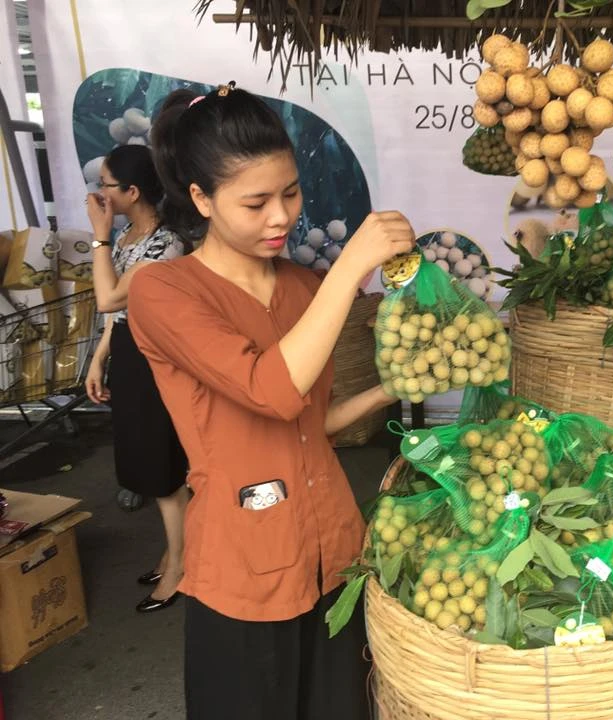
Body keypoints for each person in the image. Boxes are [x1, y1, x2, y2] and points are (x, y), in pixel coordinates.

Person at [127, 83, 414, 719]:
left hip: (334, 551)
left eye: (290, 193)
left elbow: (314, 424)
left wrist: (393, 387)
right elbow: (273, 393)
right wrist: (352, 268)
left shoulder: (304, 287)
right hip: (243, 566)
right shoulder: (165, 292)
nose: (281, 217)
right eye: (256, 202)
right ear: (200, 198)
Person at [84, 144, 190, 614]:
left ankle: (181, 566)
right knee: (149, 465)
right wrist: (99, 357)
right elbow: (115, 317)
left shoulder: (165, 246)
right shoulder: (126, 237)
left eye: (106, 185)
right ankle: (174, 549)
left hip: (156, 362)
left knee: (163, 471)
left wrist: (98, 237)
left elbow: (108, 298)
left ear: (131, 190)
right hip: (128, 354)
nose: (99, 194)